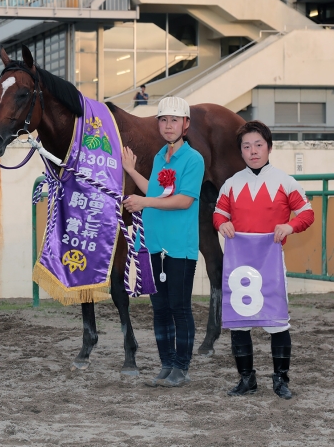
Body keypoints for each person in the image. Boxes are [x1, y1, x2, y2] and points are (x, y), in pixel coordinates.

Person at [213, 120, 314, 399]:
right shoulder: (231, 184)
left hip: (271, 263)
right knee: (239, 322)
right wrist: (222, 224)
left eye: (258, 145)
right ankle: (247, 380)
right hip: (240, 264)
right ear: (241, 151)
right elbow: (219, 214)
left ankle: (281, 380)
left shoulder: (285, 181)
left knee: (277, 323)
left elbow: (307, 213)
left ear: (269, 147)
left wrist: (290, 226)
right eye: (247, 146)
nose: (253, 151)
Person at [121, 96, 204, 387]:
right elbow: (158, 192)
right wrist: (132, 172)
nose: (168, 126)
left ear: (186, 125)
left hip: (179, 247)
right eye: (163, 120)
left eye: (174, 120)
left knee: (180, 307)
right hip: (153, 245)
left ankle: (181, 366)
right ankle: (167, 364)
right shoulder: (159, 157)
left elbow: (182, 200)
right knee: (160, 308)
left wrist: (144, 201)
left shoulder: (193, 159)